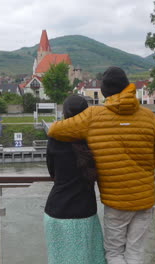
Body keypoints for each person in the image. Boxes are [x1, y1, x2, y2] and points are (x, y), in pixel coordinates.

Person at [48, 66, 155, 264]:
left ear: (104, 91)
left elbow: (55, 130)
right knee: (136, 253)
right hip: (145, 198)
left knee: (114, 253)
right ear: (128, 86)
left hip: (117, 200)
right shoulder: (149, 117)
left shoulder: (94, 116)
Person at [43, 95, 106, 264]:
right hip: (84, 210)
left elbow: (52, 173)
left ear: (64, 114)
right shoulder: (94, 138)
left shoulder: (54, 138)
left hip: (56, 210)